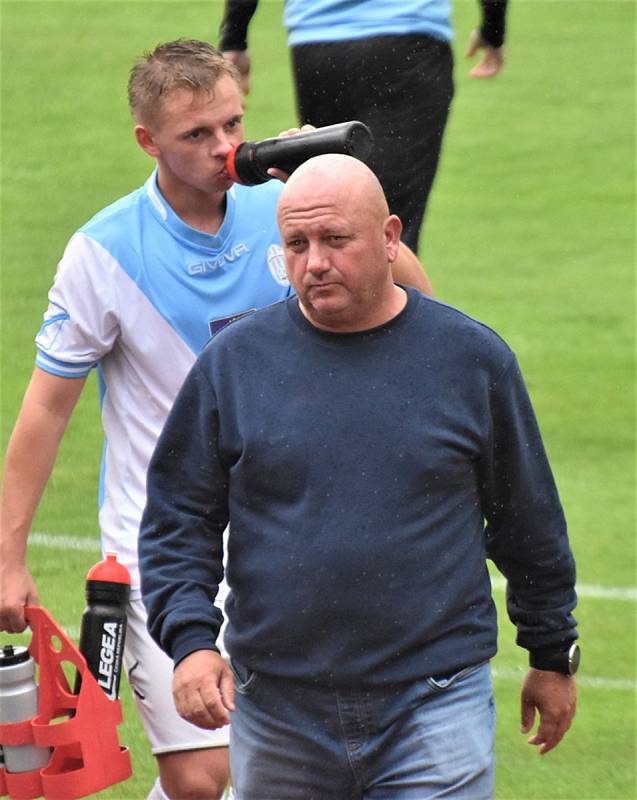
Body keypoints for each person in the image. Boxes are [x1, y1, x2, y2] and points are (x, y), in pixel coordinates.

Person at [0, 39, 432, 800]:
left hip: (296, 536)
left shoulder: (285, 209)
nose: (225, 147)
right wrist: (7, 556)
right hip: (165, 544)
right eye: (197, 135)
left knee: (294, 767)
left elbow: (416, 302)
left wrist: (332, 189)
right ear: (149, 141)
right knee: (203, 775)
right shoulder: (104, 252)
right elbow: (45, 410)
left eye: (232, 124)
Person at [139, 153, 579, 800]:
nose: (313, 261)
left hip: (434, 703)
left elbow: (525, 518)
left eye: (335, 240)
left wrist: (550, 651)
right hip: (276, 711)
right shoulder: (233, 365)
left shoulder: (469, 362)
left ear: (390, 238)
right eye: (296, 244)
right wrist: (192, 641)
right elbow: (178, 519)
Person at [219, 0, 508, 253]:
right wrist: (493, 29)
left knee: (333, 210)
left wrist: (234, 38)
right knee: (390, 227)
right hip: (408, 45)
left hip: (317, 49)